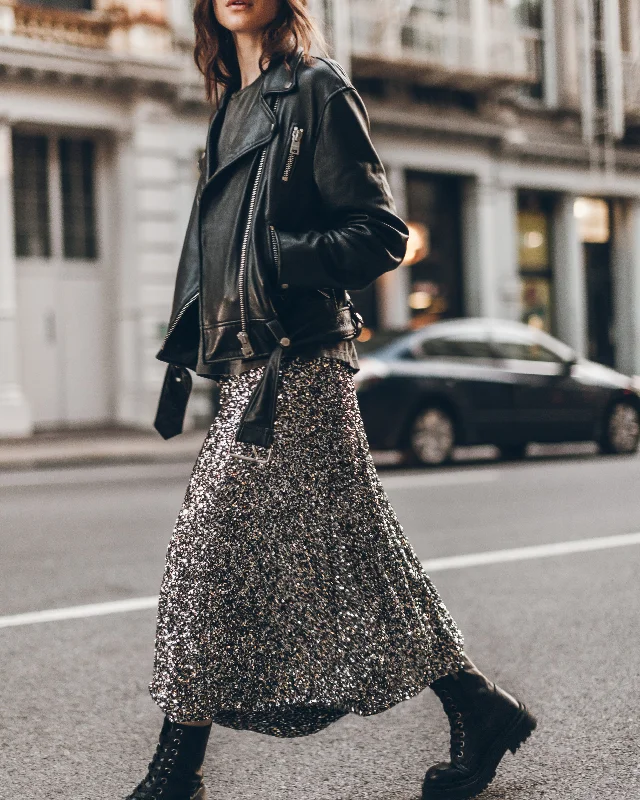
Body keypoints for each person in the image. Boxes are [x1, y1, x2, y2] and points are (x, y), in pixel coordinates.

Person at [127, 2, 536, 799]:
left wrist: (275, 257)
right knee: (360, 556)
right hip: (252, 367)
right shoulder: (229, 107)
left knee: (202, 557)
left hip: (302, 366)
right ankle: (478, 706)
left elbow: (380, 233)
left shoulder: (316, 89)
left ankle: (175, 773)